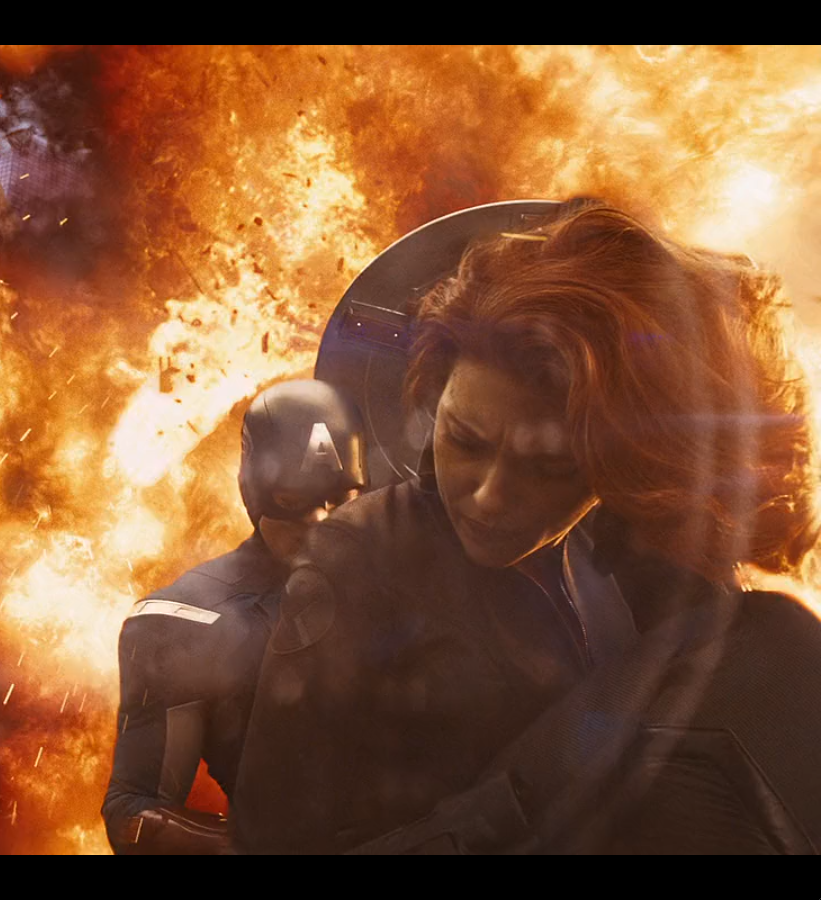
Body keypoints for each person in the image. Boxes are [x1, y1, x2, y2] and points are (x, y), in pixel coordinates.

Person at [231, 202, 820, 854]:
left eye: (549, 467)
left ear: (609, 469)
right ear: (433, 406)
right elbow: (273, 839)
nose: (489, 497)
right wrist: (533, 795)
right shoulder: (361, 552)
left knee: (772, 639)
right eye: (465, 439)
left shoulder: (631, 555)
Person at [102, 379, 368, 854]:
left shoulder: (409, 579)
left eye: (339, 498)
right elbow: (135, 816)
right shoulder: (189, 621)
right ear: (254, 487)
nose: (320, 520)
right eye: (293, 500)